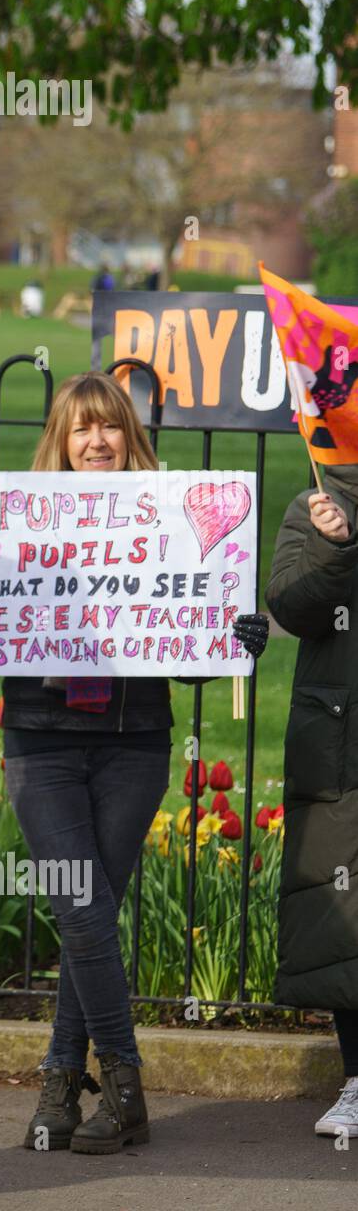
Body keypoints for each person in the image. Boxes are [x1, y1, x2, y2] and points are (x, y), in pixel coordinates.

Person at [0, 372, 268, 1154]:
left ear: (130, 439)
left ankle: (64, 1084)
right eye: (80, 430)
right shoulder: (14, 524)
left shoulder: (168, 518)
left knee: (89, 915)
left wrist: (231, 636)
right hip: (41, 743)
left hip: (134, 747)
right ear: (60, 444)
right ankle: (123, 1085)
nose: (96, 442)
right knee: (82, 909)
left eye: (110, 428)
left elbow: (189, 653)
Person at [265, 465, 358, 1138]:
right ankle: (357, 1079)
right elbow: (292, 606)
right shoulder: (321, 497)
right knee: (345, 911)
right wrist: (334, 544)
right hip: (342, 741)